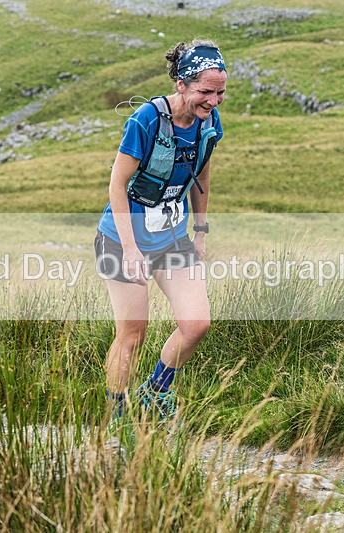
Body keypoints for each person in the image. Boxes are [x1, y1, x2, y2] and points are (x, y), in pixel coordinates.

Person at [95, 40, 226, 428]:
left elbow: (201, 172)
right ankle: (118, 417)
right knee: (133, 333)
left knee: (196, 324)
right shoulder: (146, 120)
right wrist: (132, 250)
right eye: (205, 91)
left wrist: (199, 231)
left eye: (220, 92)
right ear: (182, 84)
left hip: (172, 239)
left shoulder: (209, 122)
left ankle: (154, 394)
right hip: (122, 240)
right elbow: (117, 185)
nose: (213, 100)